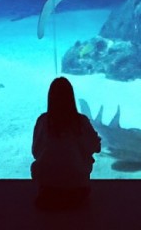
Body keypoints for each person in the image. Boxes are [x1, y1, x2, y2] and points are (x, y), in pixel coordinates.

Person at [30, 77, 101, 209]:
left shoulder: (43, 121)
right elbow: (95, 147)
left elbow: (35, 152)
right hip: (78, 187)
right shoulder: (81, 121)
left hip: (48, 187)